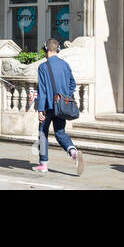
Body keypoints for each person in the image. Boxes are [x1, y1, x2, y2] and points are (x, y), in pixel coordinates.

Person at [32, 37, 84, 175]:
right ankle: (73, 152)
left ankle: (43, 164)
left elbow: (42, 90)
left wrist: (40, 109)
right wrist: (65, 96)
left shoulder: (43, 67)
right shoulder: (65, 65)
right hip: (61, 105)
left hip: (48, 106)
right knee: (60, 132)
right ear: (57, 49)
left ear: (46, 50)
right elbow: (73, 83)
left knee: (42, 133)